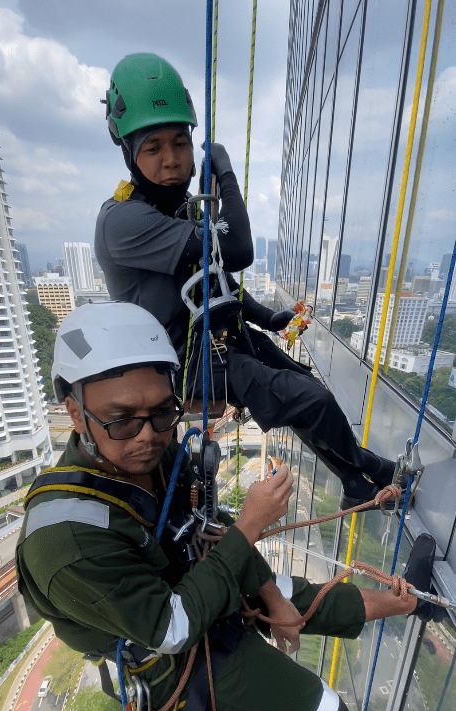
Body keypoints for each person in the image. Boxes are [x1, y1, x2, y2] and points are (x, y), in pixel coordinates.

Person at [16, 302, 454, 711]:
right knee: (316, 710)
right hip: (162, 657)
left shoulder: (145, 452)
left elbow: (204, 531)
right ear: (74, 410)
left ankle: (411, 603)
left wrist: (274, 601)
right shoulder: (65, 541)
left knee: (294, 589)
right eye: (122, 419)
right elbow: (170, 628)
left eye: (161, 413)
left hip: (188, 581)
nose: (148, 435)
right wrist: (249, 528)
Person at [95, 53, 404, 512]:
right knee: (310, 398)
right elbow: (238, 250)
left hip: (216, 340)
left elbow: (213, 278)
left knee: (298, 384)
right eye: (154, 147)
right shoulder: (124, 221)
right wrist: (224, 169)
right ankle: (364, 469)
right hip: (182, 363)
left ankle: (356, 477)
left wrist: (266, 316)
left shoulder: (179, 212)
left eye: (180, 143)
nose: (172, 161)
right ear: (128, 151)